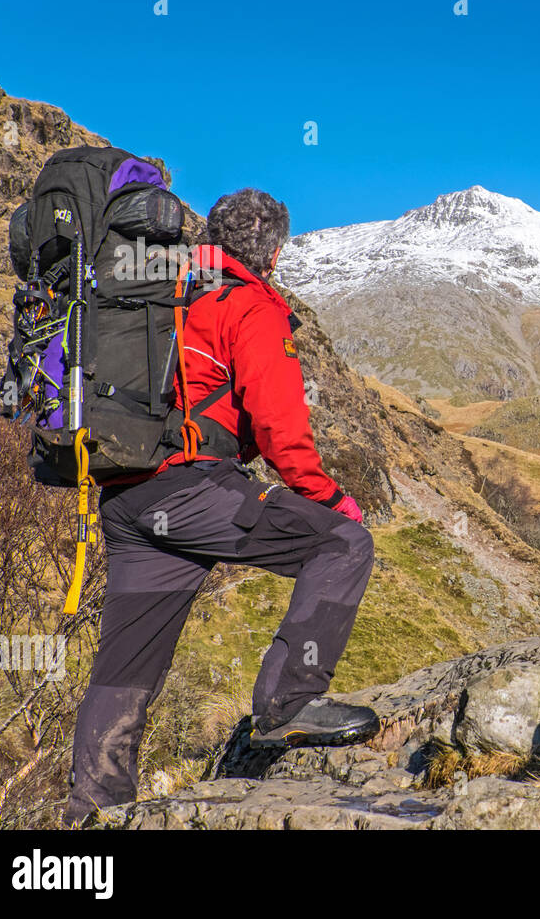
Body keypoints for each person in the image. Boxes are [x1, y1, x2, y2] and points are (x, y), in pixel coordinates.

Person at [63, 188, 379, 826]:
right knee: (341, 545)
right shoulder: (249, 303)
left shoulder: (162, 284)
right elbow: (281, 432)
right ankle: (286, 707)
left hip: (125, 497)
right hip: (191, 489)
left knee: (127, 661)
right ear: (276, 251)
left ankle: (92, 815)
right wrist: (333, 500)